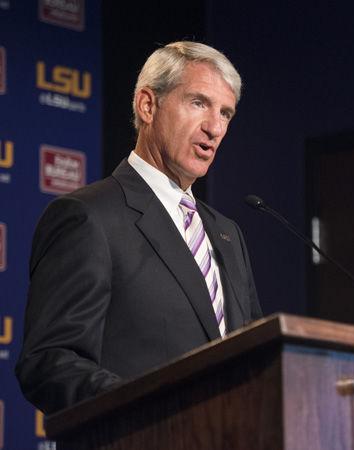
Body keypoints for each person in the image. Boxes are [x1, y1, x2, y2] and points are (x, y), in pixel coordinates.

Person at [15, 41, 262, 414]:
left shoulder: (227, 234)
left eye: (226, 113)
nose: (214, 127)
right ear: (148, 105)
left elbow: (255, 357)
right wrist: (155, 405)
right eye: (198, 103)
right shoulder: (89, 217)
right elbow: (50, 362)